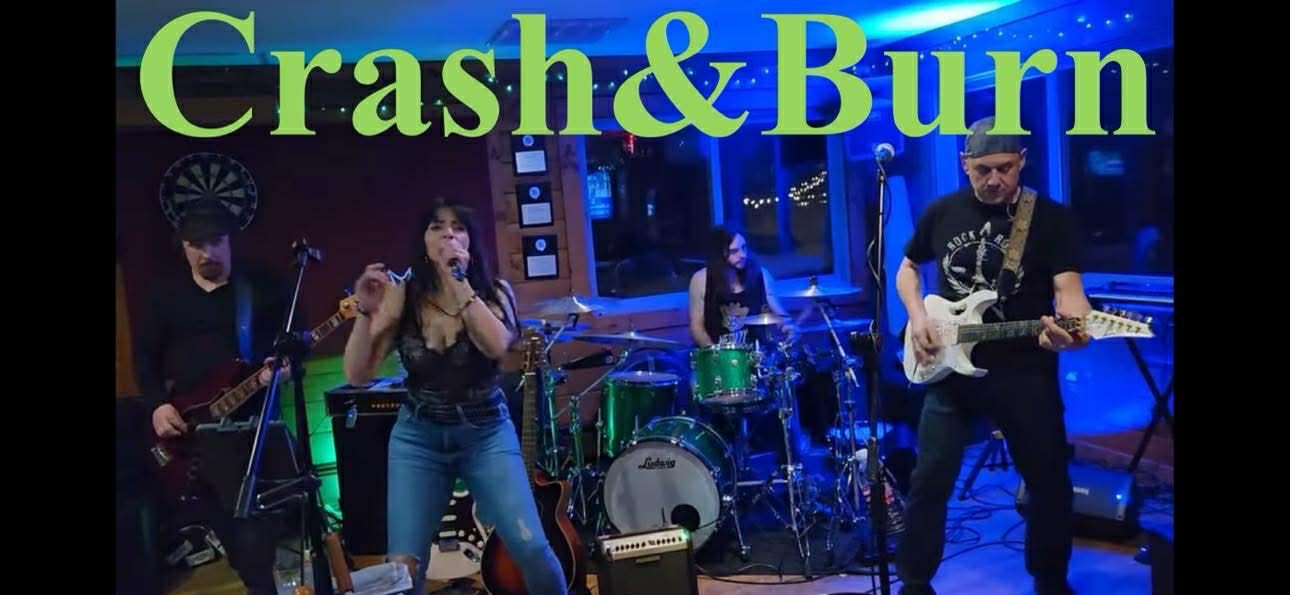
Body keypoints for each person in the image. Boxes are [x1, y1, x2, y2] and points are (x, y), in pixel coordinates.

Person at [894, 117, 1092, 595]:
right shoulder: (942, 212)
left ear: (1022, 161)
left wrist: (1072, 333)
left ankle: (1050, 580)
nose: (995, 179)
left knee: (1048, 482)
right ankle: (915, 582)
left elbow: (1071, 296)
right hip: (950, 371)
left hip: (1025, 372)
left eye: (1005, 168)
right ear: (965, 164)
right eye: (983, 169)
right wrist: (917, 317)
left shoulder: (1049, 219)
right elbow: (907, 268)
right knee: (929, 480)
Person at [342, 201, 568, 595]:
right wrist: (366, 311)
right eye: (437, 227)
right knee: (403, 567)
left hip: (486, 434)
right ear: (423, 241)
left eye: (457, 227)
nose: (448, 233)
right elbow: (358, 375)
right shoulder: (404, 296)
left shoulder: (494, 292)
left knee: (531, 547)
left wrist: (457, 279)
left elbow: (497, 345)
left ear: (470, 241)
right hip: (418, 438)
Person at [134, 198, 290, 595]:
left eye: (215, 241)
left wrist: (287, 369)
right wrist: (157, 405)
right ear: (183, 246)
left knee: (254, 529)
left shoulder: (260, 286)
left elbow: (294, 344)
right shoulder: (165, 294)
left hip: (250, 428)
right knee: (231, 530)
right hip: (190, 435)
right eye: (196, 244)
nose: (206, 253)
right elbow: (145, 357)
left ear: (230, 239)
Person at [687, 226, 790, 348]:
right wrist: (713, 353)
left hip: (756, 354)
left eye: (744, 248)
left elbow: (779, 314)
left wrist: (789, 327)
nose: (743, 255)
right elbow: (697, 327)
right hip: (719, 354)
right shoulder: (701, 279)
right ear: (719, 254)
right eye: (734, 251)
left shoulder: (761, 275)